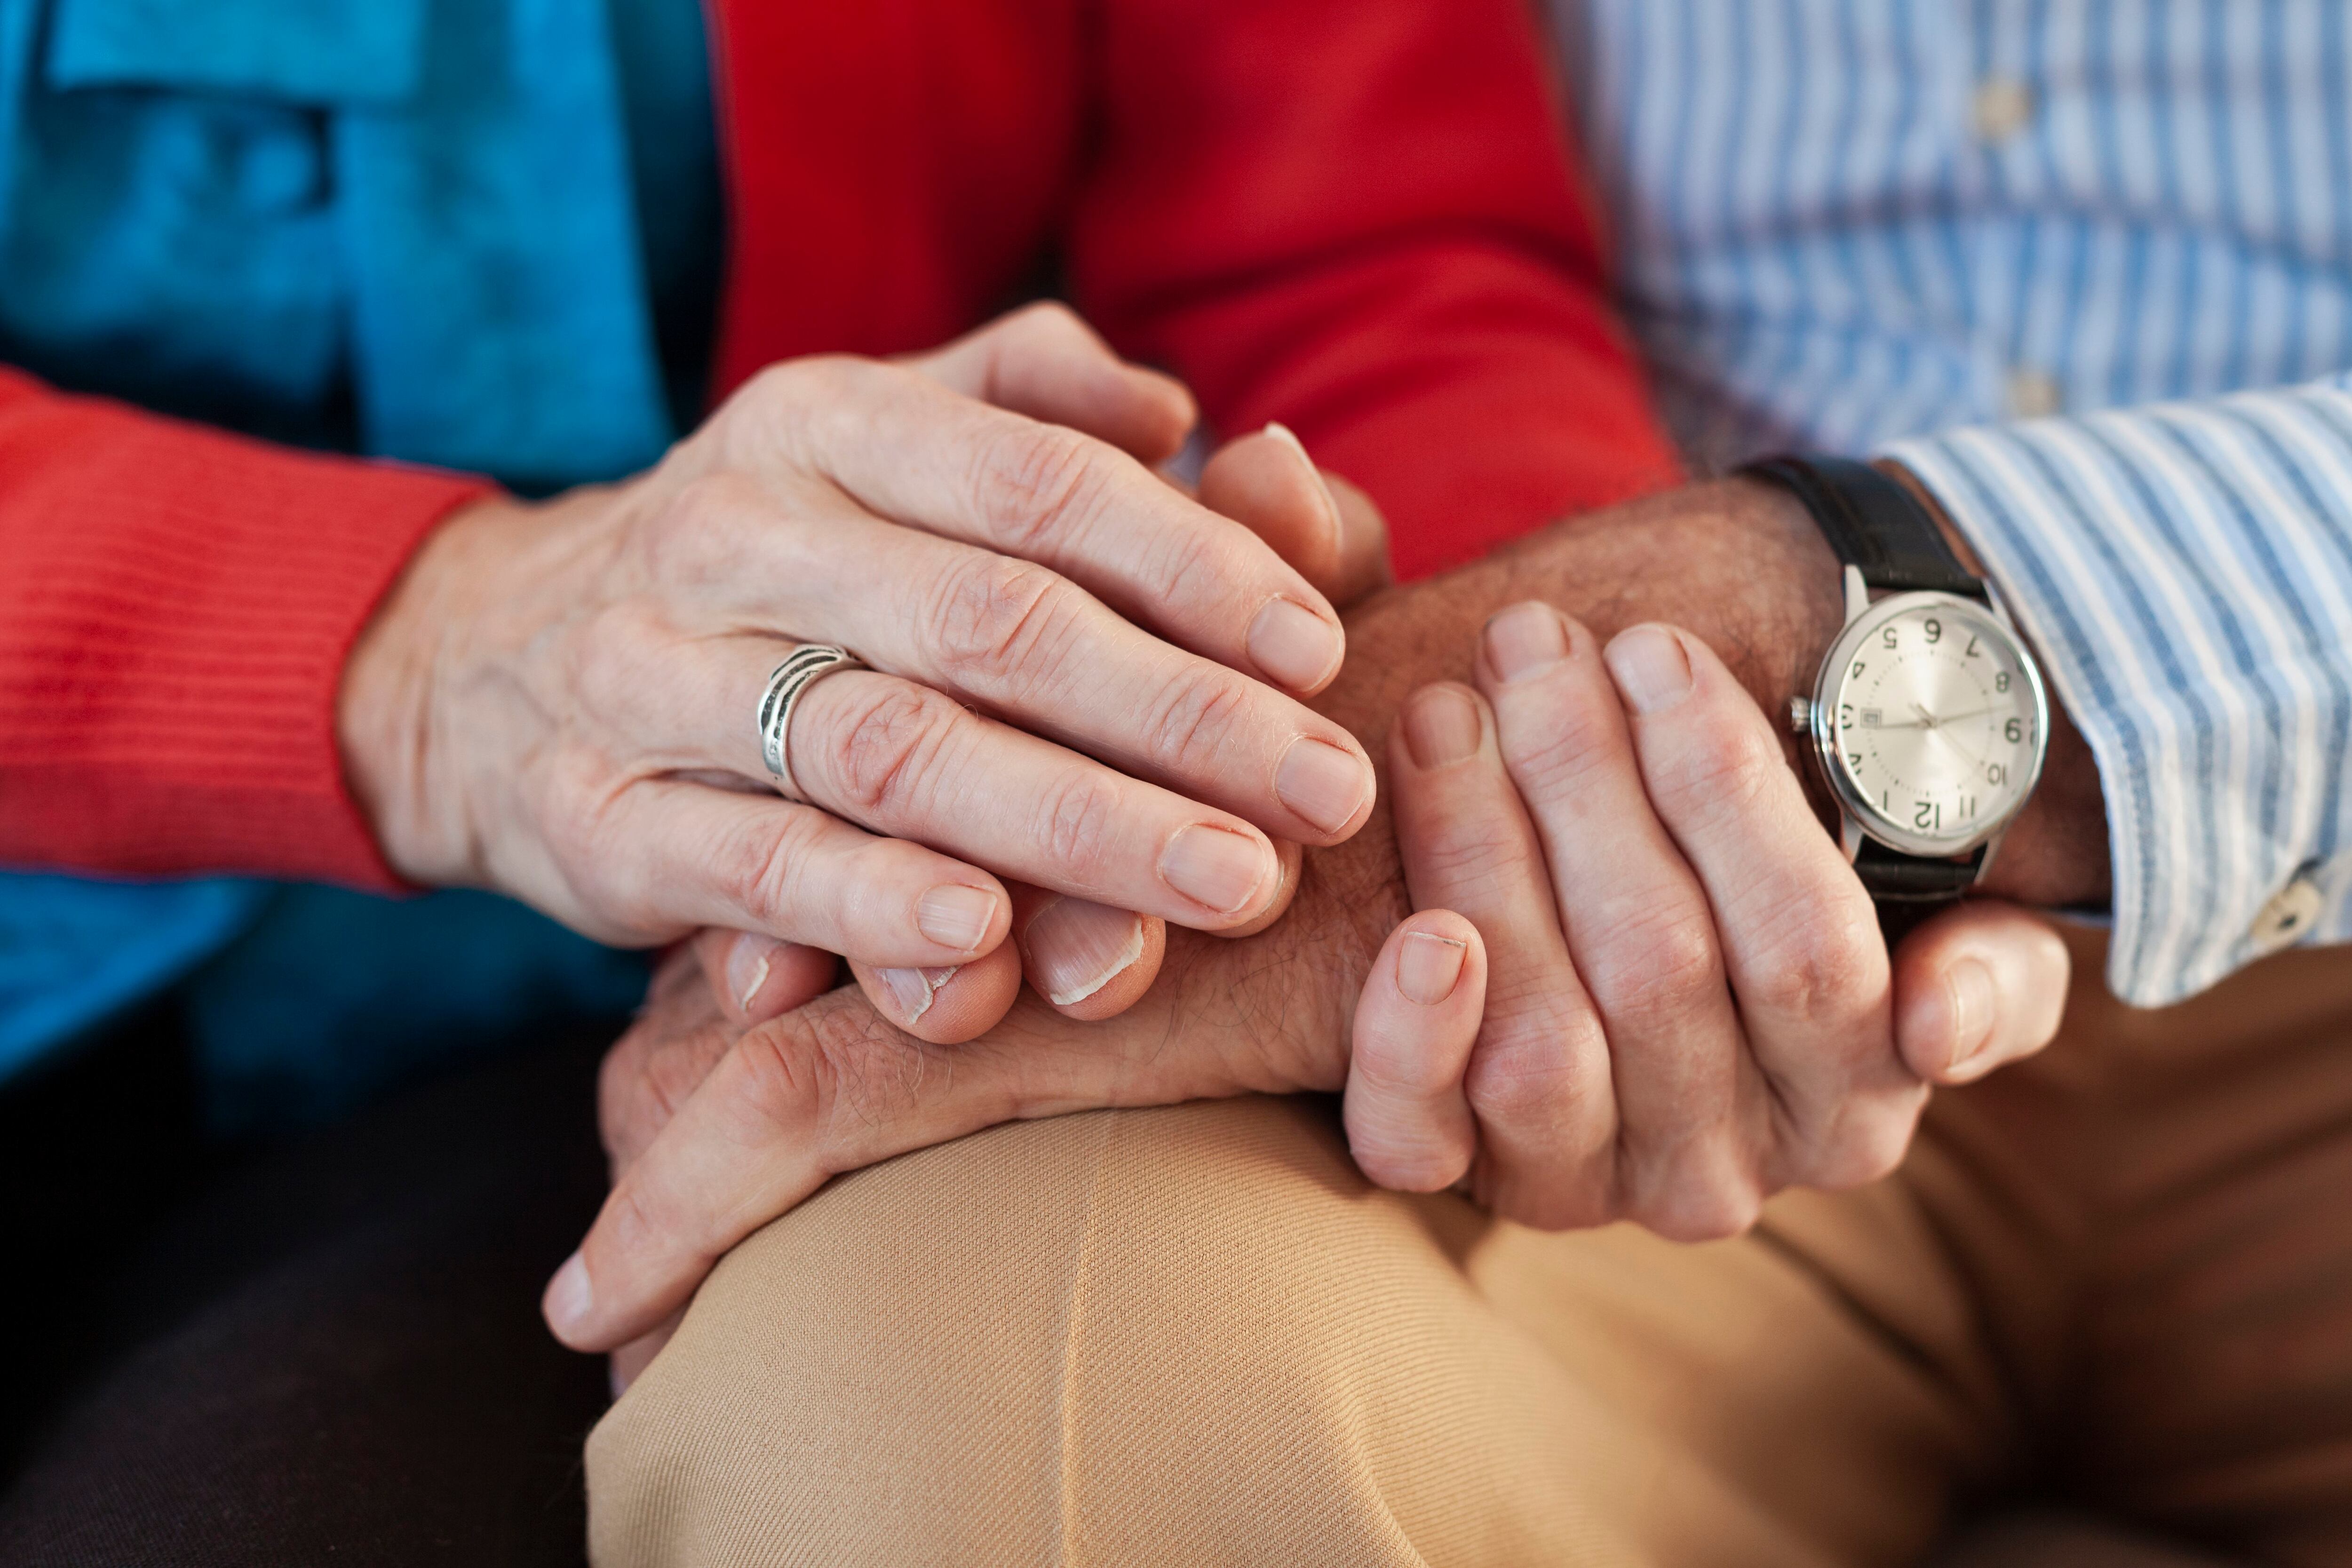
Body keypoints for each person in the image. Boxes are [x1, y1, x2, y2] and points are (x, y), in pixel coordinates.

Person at [561, 3, 2352, 1564]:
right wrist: (1500, 816)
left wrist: (1769, 631)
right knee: (917, 1380)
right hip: (1541, 888)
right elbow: (1363, 235)